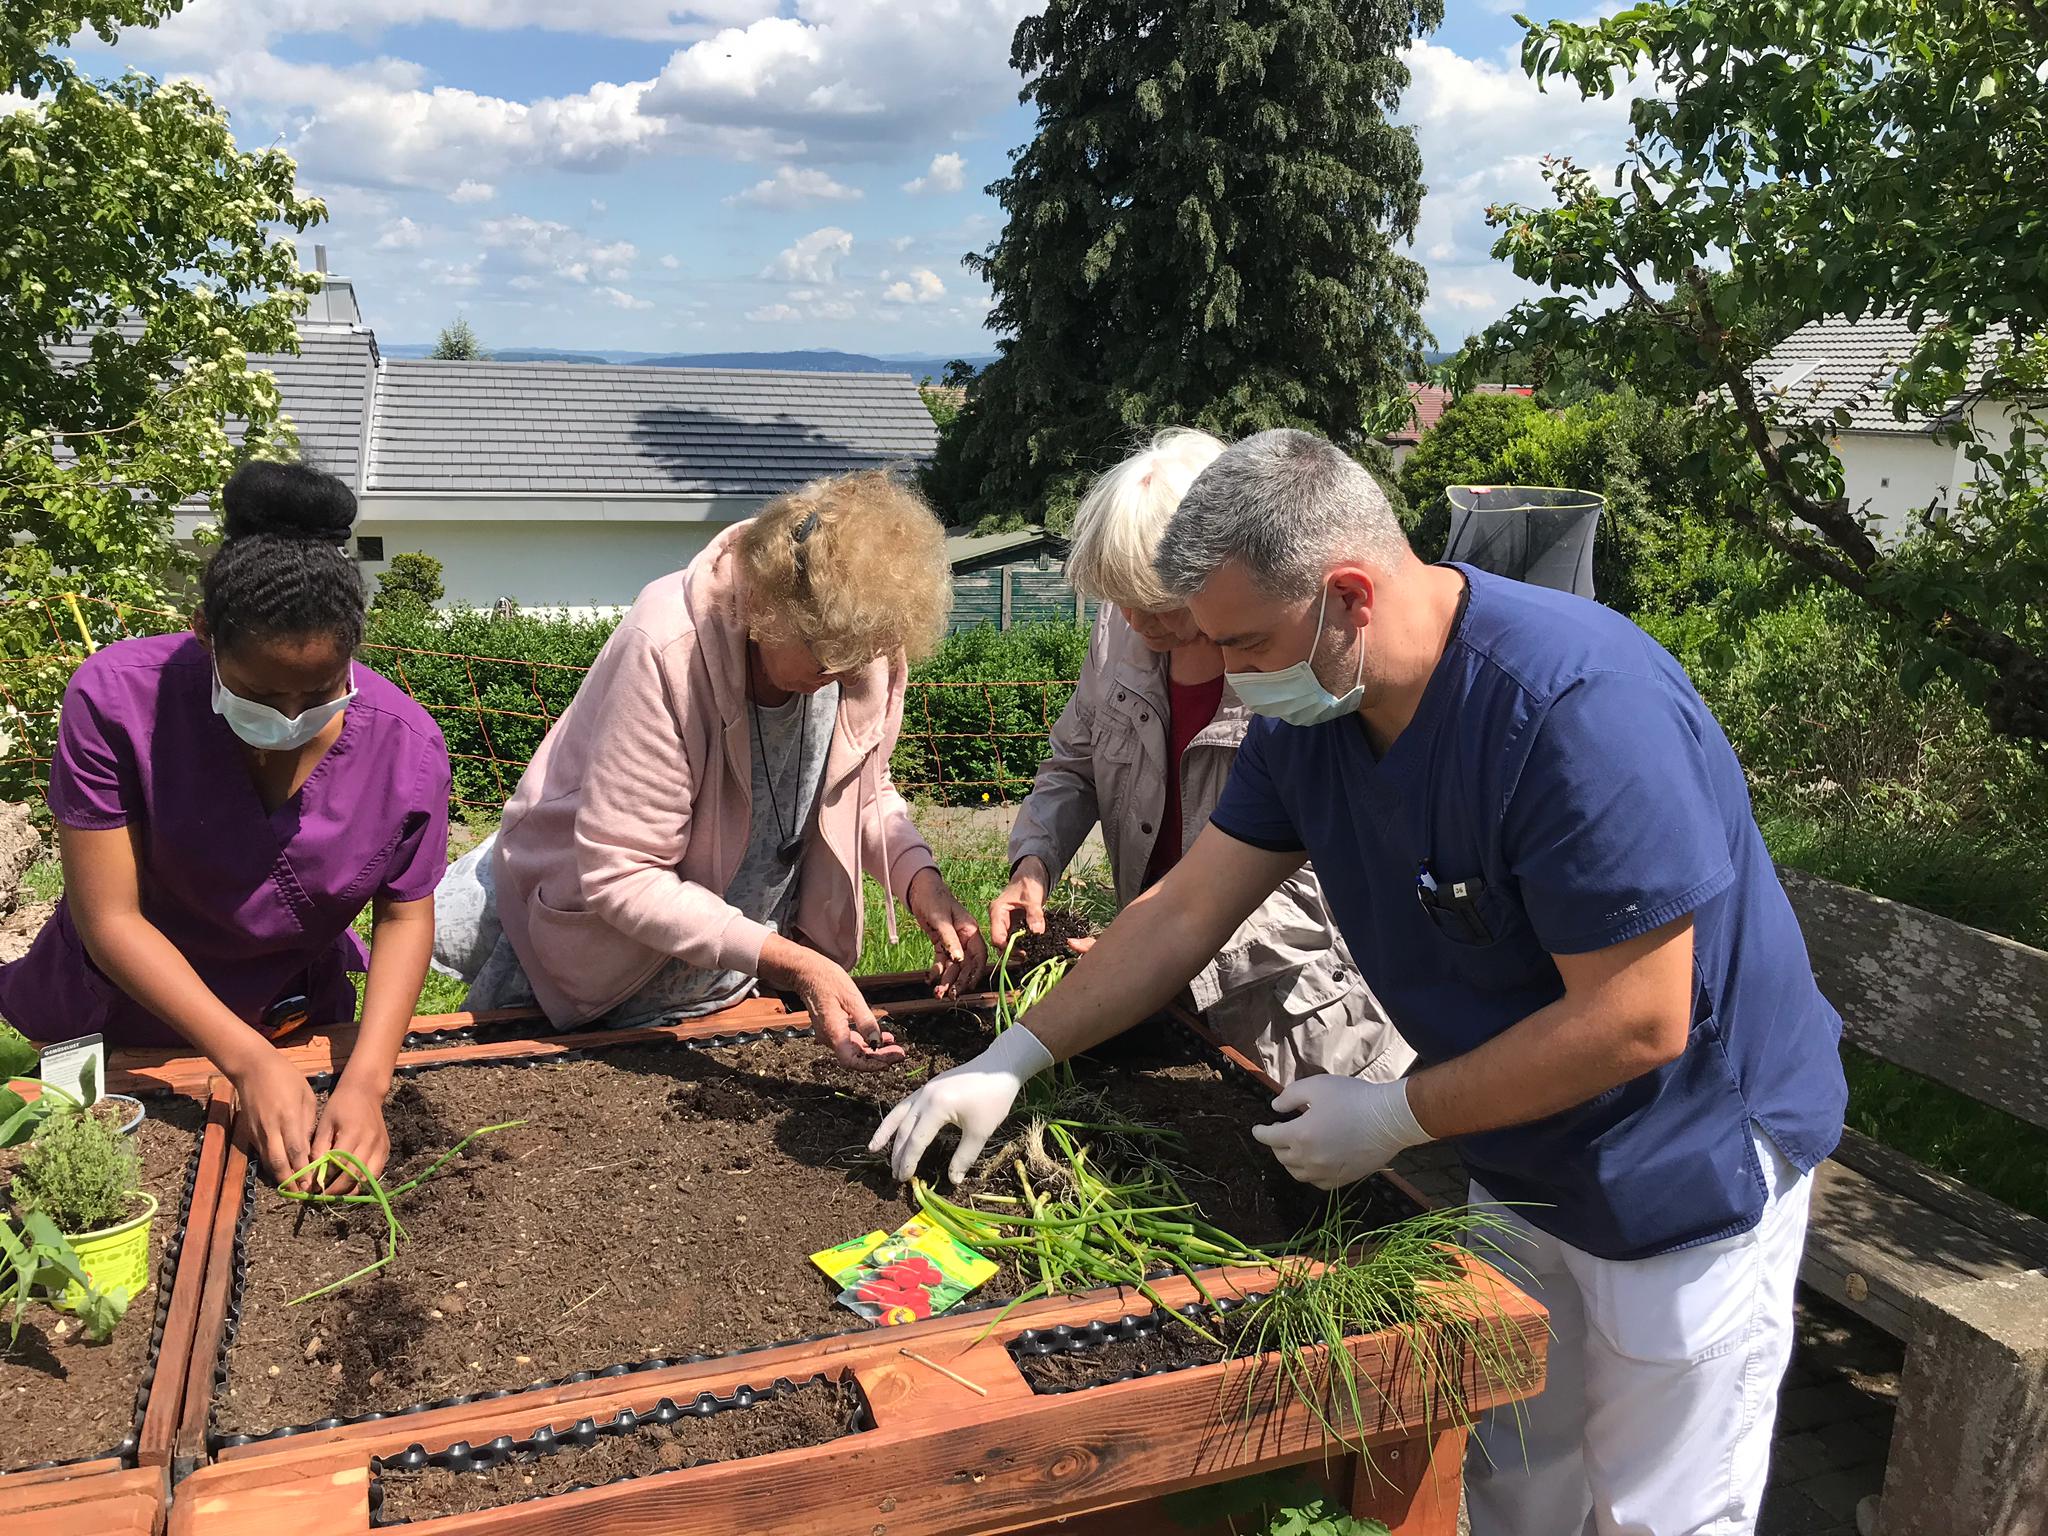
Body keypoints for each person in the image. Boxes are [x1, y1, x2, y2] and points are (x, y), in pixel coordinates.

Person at [872, 429, 1847, 1536]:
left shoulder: (1572, 709)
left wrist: (1394, 1112)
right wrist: (1014, 1056)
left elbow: (1635, 1021)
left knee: (1656, 1507)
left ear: (1346, 595)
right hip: (1517, 1143)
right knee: (1513, 1468)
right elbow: (1188, 910)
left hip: (1678, 1162)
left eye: (1239, 642)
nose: (1225, 675)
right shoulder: (1317, 714)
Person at [0, 461, 453, 1191]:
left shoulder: (406, 746)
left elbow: (404, 912)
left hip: (294, 1017)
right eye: (261, 693)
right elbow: (108, 917)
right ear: (205, 634)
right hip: (124, 1017)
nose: (289, 717)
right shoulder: (116, 702)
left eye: (319, 691)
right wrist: (243, 1060)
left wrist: (366, 1080)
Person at [434, 470, 987, 1066]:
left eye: (865, 659)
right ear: (770, 608)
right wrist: (793, 961)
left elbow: (863, 793)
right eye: (829, 657)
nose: (848, 676)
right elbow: (623, 874)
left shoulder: (862, 646)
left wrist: (919, 881)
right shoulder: (667, 644)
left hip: (730, 964)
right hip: (600, 965)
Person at [992, 429, 1410, 1086]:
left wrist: (1160, 950)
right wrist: (1034, 860)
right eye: (1118, 601)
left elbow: (1326, 876)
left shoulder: (1294, 672)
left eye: (1158, 602)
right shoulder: (1124, 633)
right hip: (1152, 999)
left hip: (1294, 1024)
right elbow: (1073, 763)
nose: (1135, 622)